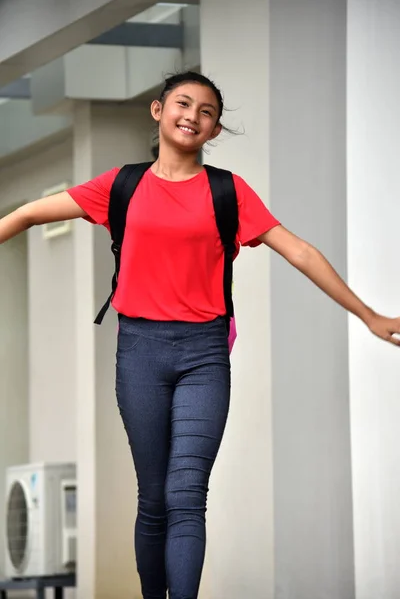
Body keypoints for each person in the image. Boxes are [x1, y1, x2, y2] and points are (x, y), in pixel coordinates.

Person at [1, 70, 399, 599]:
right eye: (182, 104)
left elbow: (299, 251)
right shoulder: (121, 185)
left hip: (203, 355)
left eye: (206, 111)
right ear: (159, 111)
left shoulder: (227, 192)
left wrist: (369, 315)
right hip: (139, 352)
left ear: (213, 131)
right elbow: (27, 214)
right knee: (154, 500)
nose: (192, 115)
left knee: (187, 494)